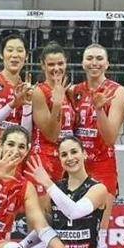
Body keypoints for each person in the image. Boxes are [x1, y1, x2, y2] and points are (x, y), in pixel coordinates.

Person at [69, 44, 124, 248]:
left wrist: (100, 109)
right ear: (83, 63)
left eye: (99, 58)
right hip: (76, 169)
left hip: (103, 167)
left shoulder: (117, 91)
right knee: (76, 235)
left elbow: (110, 137)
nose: (95, 63)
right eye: (90, 58)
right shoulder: (74, 91)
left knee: (98, 237)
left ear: (107, 63)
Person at [25, 138, 109, 248]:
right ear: (60, 159)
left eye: (74, 152)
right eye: (64, 155)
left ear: (84, 154)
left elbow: (74, 212)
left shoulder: (98, 189)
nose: (70, 158)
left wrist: (47, 183)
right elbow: (45, 228)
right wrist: (22, 246)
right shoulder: (54, 190)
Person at [30, 44, 76, 189]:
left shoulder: (69, 92)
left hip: (66, 159)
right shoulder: (39, 92)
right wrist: (57, 105)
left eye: (60, 63)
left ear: (66, 63)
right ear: (43, 65)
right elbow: (51, 135)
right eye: (51, 64)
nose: (56, 68)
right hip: (45, 159)